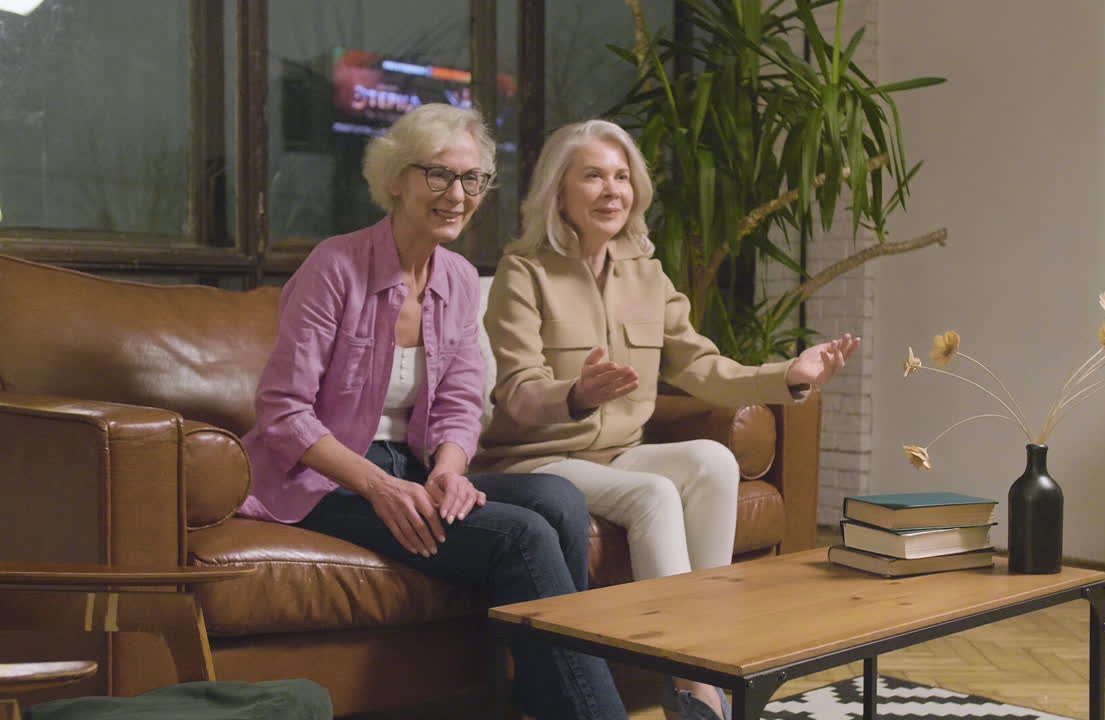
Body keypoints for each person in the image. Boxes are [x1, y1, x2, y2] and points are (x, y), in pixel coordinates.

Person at [236, 104, 628, 720]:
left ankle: (540, 695)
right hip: (326, 480)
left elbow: (461, 400)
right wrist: (381, 488)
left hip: (413, 468)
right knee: (520, 536)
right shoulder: (334, 267)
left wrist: (450, 469)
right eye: (439, 175)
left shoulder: (461, 277)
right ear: (396, 178)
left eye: (473, 180)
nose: (458, 195)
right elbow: (284, 413)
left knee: (559, 499)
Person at [474, 119, 859, 720]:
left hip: (617, 453)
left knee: (712, 460)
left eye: (622, 177)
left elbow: (703, 367)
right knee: (654, 494)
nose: (612, 190)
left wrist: (791, 374)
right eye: (593, 176)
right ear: (559, 192)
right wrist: (576, 394)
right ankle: (692, 678)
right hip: (539, 460)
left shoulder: (647, 274)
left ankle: (708, 654)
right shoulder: (524, 273)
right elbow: (518, 395)